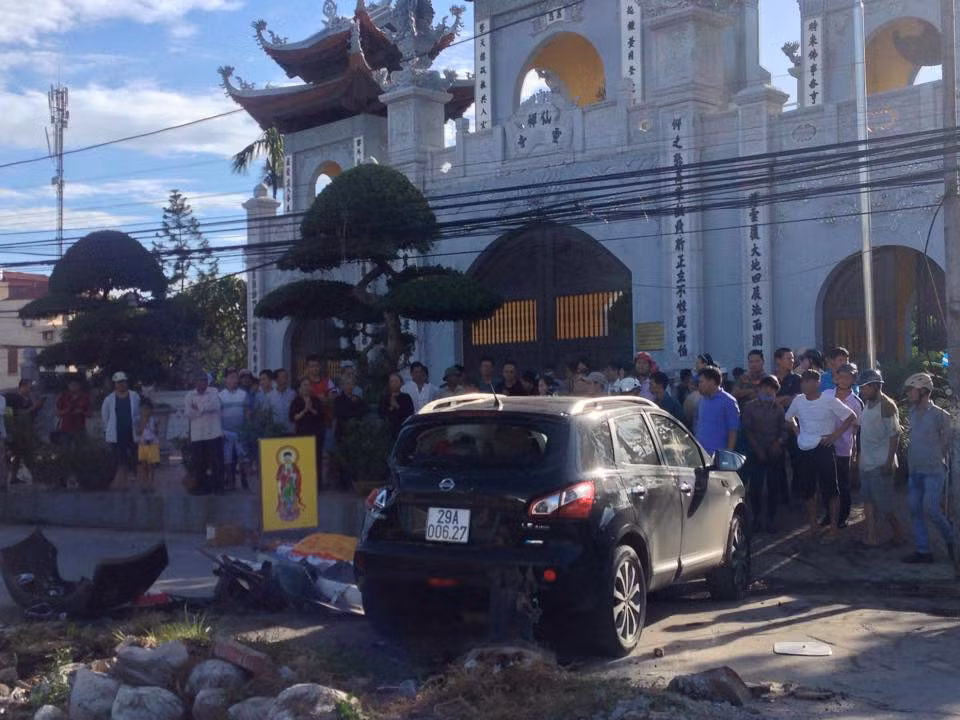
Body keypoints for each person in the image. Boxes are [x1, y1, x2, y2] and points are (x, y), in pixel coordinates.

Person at [785, 369, 856, 541]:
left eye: (808, 381)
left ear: (816, 383)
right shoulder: (799, 401)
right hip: (805, 448)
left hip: (824, 447)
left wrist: (835, 435)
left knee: (831, 489)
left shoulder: (828, 399)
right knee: (809, 490)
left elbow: (850, 416)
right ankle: (813, 526)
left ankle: (833, 528)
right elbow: (788, 417)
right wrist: (797, 432)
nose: (804, 384)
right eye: (802, 381)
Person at [901, 373, 956, 564]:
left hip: (933, 470)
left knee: (930, 508)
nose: (909, 394)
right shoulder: (913, 413)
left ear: (923, 391)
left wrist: (937, 452)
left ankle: (952, 541)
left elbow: (949, 437)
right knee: (915, 511)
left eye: (912, 390)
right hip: (915, 470)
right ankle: (923, 551)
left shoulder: (940, 415)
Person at [856, 369, 907, 548]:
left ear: (874, 386)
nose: (861, 391)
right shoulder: (867, 404)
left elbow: (895, 434)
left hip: (881, 463)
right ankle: (871, 536)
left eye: (864, 387)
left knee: (884, 504)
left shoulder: (887, 405)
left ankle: (899, 533)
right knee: (868, 501)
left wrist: (888, 461)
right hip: (867, 463)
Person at [741, 375, 788, 533]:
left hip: (774, 453)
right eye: (765, 387)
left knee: (773, 488)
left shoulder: (779, 409)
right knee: (756, 488)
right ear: (758, 389)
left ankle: (771, 520)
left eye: (772, 388)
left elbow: (784, 430)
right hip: (755, 453)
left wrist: (779, 442)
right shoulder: (749, 407)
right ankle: (756, 519)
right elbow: (748, 431)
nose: (768, 390)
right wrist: (759, 450)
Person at [822, 363, 863, 528]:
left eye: (848, 377)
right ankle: (829, 514)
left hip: (844, 446)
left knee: (843, 483)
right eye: (841, 376)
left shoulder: (856, 401)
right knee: (826, 482)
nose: (844, 380)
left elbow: (857, 426)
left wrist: (855, 453)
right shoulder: (826, 395)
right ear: (835, 378)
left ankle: (843, 516)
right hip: (824, 444)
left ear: (853, 380)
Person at [185, 370, 224, 495]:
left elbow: (215, 405)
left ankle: (217, 487)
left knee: (216, 462)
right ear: (195, 382)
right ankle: (202, 487)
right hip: (198, 435)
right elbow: (188, 413)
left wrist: (199, 407)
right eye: (200, 380)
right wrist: (204, 408)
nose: (203, 383)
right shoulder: (189, 395)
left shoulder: (214, 391)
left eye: (205, 380)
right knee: (199, 463)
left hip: (213, 433)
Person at [101, 371, 141, 490]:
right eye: (119, 383)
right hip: (117, 433)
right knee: (120, 459)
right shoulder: (108, 399)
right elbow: (105, 417)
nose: (121, 385)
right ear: (115, 384)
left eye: (123, 382)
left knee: (136, 456)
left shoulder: (135, 396)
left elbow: (139, 413)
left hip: (132, 431)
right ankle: (122, 483)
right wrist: (107, 429)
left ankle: (137, 478)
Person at [694, 366, 740, 457]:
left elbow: (733, 431)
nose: (698, 384)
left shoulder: (728, 401)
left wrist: (728, 456)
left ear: (712, 382)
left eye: (701, 382)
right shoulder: (702, 400)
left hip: (718, 457)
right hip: (700, 455)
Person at [290, 377, 326, 488]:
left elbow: (321, 415)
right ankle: (303, 485)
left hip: (316, 434)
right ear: (299, 388)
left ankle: (317, 484)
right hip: (301, 434)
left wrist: (311, 409)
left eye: (308, 385)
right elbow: (293, 418)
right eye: (304, 385)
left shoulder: (316, 400)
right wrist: (304, 410)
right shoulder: (296, 401)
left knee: (317, 460)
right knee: (302, 460)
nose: (307, 388)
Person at [219, 369, 250, 491]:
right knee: (228, 460)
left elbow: (247, 412)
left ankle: (246, 482)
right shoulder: (220, 395)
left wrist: (248, 429)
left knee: (244, 458)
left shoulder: (243, 394)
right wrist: (220, 431)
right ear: (225, 380)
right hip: (226, 432)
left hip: (241, 431)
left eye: (236, 378)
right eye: (231, 378)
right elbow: (218, 415)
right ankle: (231, 483)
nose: (234, 380)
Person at [54, 375, 91, 444]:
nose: (74, 386)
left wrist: (81, 412)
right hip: (66, 429)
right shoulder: (63, 397)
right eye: (72, 384)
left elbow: (89, 414)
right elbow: (57, 413)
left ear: (79, 386)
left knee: (82, 451)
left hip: (80, 429)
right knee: (65, 451)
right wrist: (67, 410)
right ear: (68, 385)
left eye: (76, 384)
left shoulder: (85, 397)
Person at [380, 371, 415, 438]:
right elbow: (381, 413)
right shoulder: (384, 398)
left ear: (401, 383)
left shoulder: (406, 397)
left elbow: (409, 413)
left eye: (396, 381)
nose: (394, 384)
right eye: (391, 381)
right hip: (388, 431)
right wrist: (391, 408)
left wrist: (397, 406)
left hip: (403, 430)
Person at [136, 398, 160, 493]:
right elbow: (138, 433)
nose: (146, 411)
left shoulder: (154, 420)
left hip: (152, 445)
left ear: (151, 410)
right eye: (143, 409)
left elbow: (157, 433)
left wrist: (153, 426)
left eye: (148, 409)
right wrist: (143, 423)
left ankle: (151, 484)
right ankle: (144, 484)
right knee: (143, 466)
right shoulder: (138, 420)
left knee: (151, 466)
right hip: (142, 445)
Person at [268, 368, 297, 434]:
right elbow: (268, 414)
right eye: (283, 377)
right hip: (276, 431)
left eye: (286, 377)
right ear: (276, 380)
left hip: (290, 430)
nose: (285, 380)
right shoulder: (270, 395)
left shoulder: (293, 394)